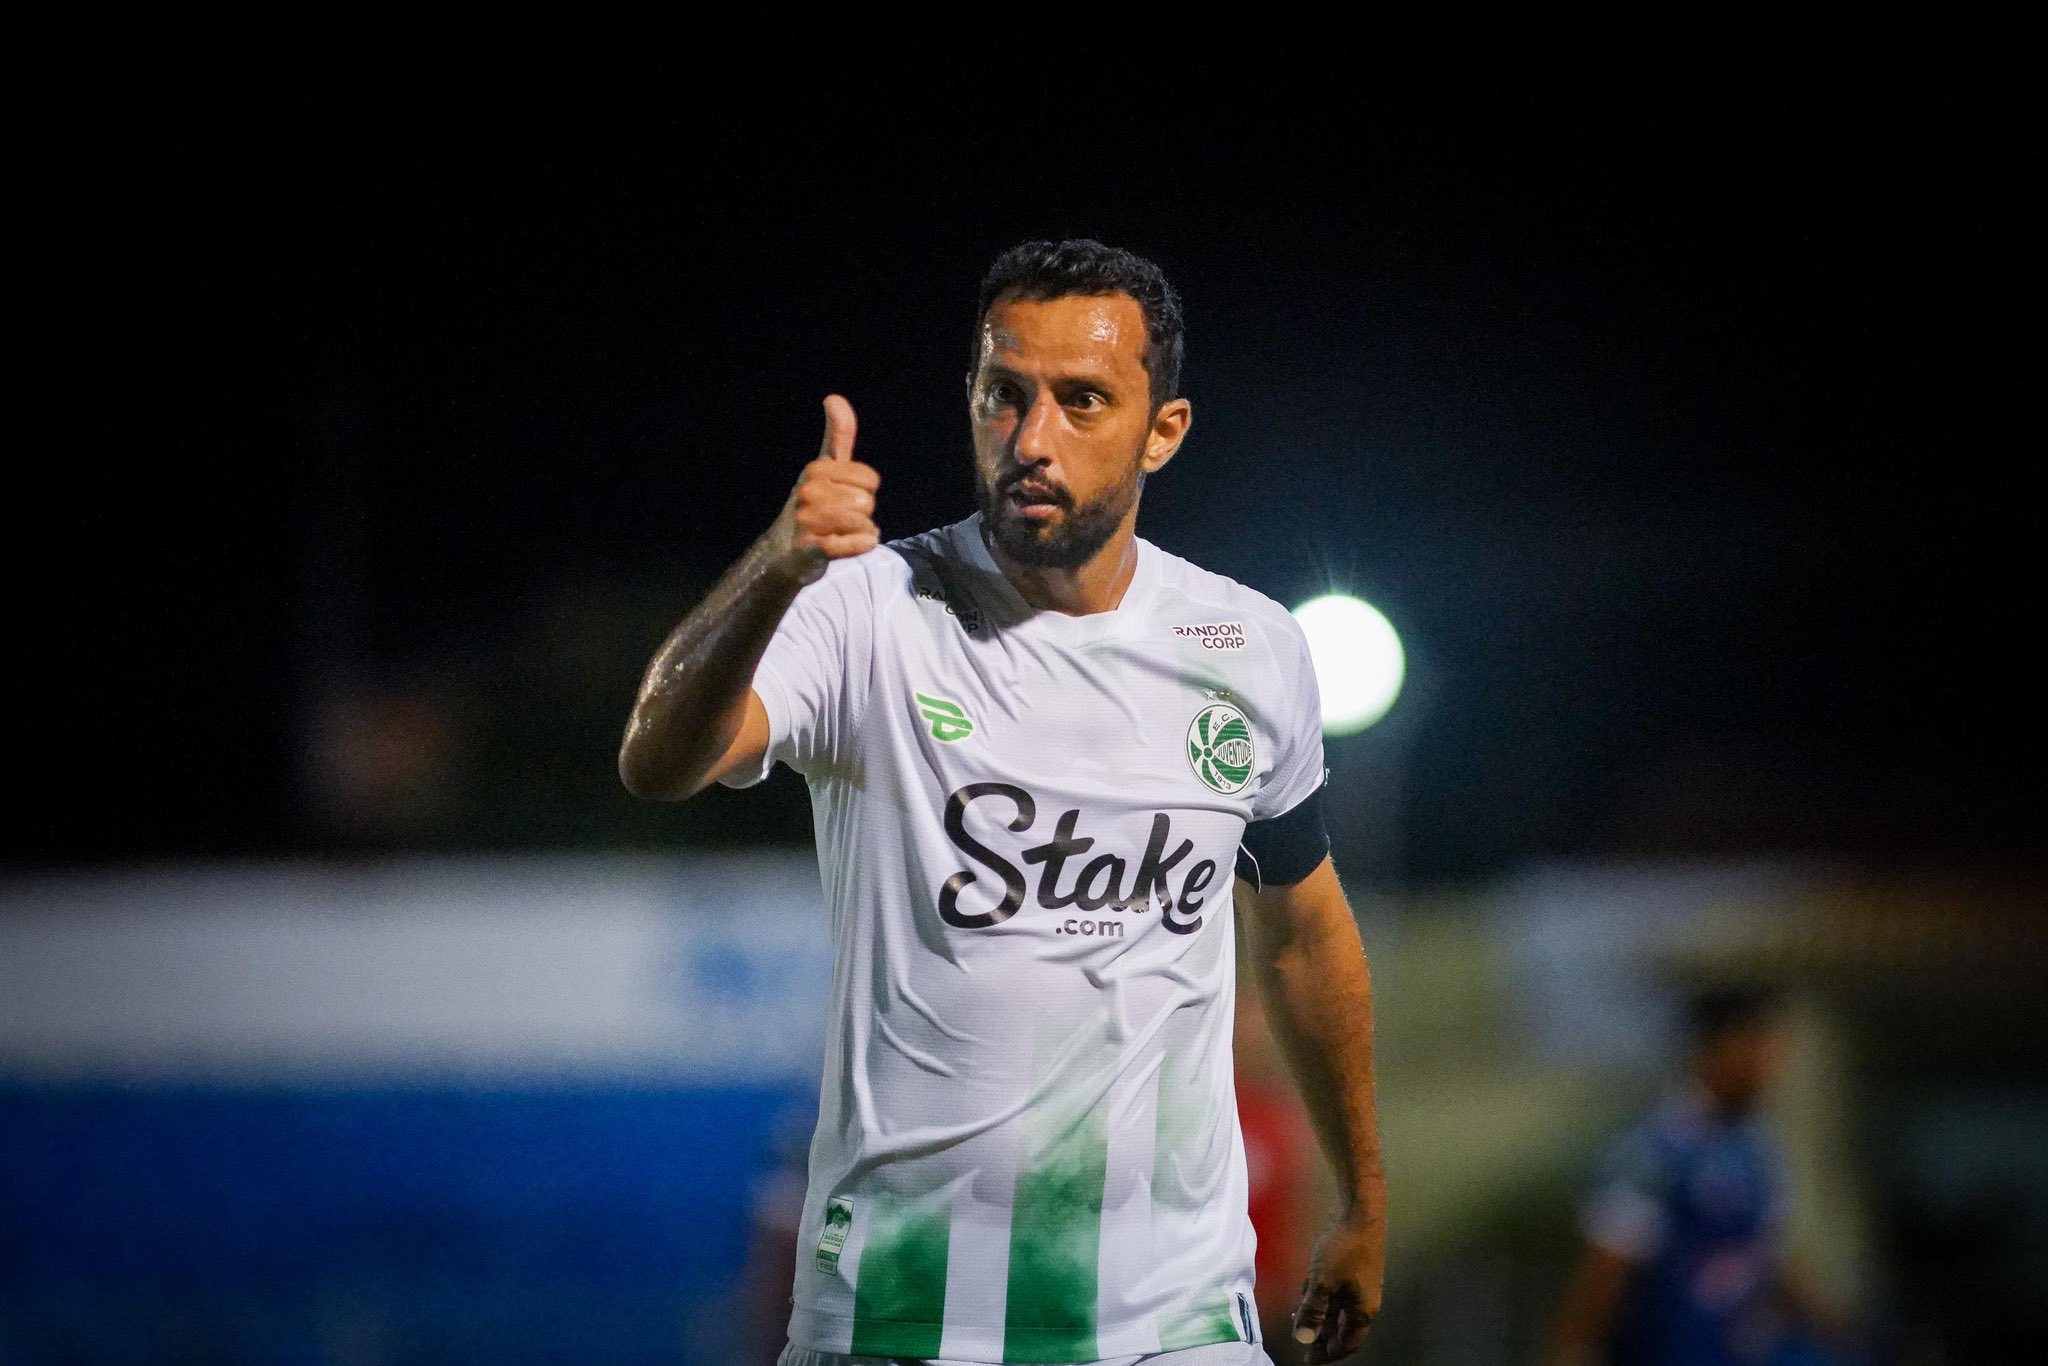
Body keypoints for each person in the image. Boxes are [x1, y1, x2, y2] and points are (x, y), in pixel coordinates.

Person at [620, 240, 1386, 1366]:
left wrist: (1364, 1202)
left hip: (1174, 1323)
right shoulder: (865, 609)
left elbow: (1304, 935)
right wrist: (776, 566)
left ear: (1161, 430)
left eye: (1081, 401)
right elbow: (658, 759)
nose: (1032, 439)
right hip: (899, 1315)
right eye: (1004, 396)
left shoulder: (1250, 647)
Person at [1548, 986, 1847, 1366]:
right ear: (1711, 1049)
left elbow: (1767, 1258)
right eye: (1753, 1047)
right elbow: (1604, 1272)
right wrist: (1569, 1352)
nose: (1768, 1065)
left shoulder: (1756, 1150)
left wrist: (1838, 1331)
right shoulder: (1656, 1151)